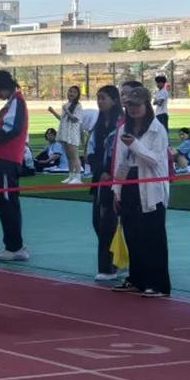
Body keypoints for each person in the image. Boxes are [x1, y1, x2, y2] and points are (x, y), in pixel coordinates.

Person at [112, 86, 171, 297]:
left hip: (151, 186)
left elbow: (156, 160)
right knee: (132, 233)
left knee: (153, 235)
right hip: (129, 183)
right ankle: (137, 279)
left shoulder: (157, 129)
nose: (133, 109)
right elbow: (120, 162)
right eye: (129, 105)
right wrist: (117, 189)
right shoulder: (123, 129)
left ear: (147, 105)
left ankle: (159, 284)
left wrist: (135, 145)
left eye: (137, 105)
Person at [0, 70, 29, 261]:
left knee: (7, 204)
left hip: (6, 160)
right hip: (5, 160)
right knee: (6, 204)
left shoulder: (17, 101)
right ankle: (14, 245)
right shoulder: (13, 102)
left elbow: (11, 129)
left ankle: (14, 247)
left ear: (3, 87)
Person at [86, 86, 123, 282]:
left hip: (115, 179)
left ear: (114, 100)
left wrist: (109, 171)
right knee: (97, 222)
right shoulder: (97, 125)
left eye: (103, 98)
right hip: (99, 179)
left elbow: (121, 153)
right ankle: (117, 260)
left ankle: (108, 267)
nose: (99, 102)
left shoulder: (121, 124)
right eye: (98, 98)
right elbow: (90, 151)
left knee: (108, 222)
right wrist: (99, 170)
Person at [47, 85, 83, 184]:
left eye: (74, 92)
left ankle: (78, 177)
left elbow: (75, 119)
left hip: (72, 134)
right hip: (64, 133)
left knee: (74, 156)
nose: (71, 93)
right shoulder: (66, 105)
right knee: (68, 157)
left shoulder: (78, 106)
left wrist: (67, 111)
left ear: (78, 95)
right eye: (70, 91)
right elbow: (62, 119)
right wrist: (53, 112)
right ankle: (71, 176)